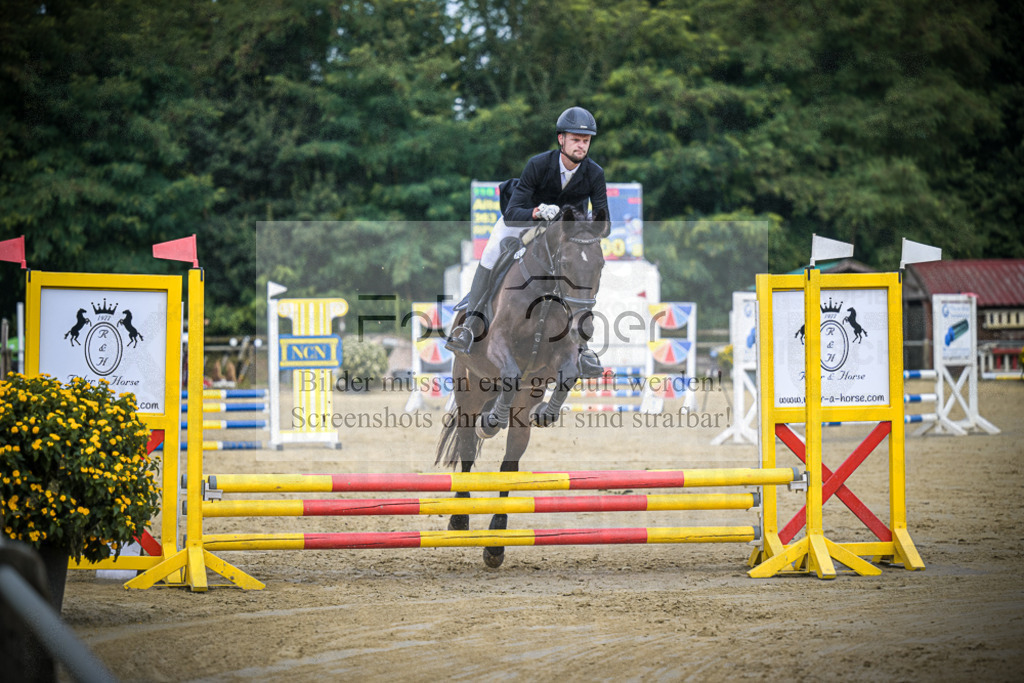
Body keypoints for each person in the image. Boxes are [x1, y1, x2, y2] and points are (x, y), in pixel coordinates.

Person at [445, 106, 608, 378]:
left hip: (565, 234)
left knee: (583, 269)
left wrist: (584, 225)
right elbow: (512, 212)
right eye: (576, 139)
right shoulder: (539, 164)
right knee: (491, 252)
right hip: (523, 223)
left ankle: (581, 348)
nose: (581, 145)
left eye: (586, 140)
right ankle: (470, 324)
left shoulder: (595, 173)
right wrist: (537, 212)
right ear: (561, 140)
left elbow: (605, 219)